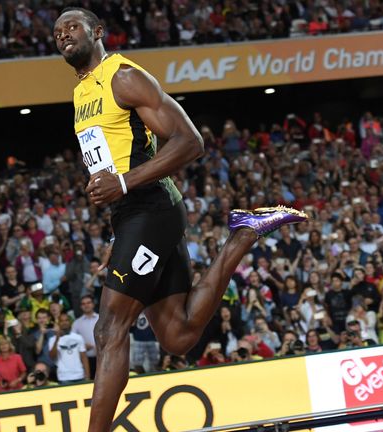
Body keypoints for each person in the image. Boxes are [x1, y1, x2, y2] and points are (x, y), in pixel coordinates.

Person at [53, 7, 307, 431]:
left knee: (109, 328)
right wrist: (121, 220)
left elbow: (190, 141)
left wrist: (124, 184)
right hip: (133, 216)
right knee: (178, 336)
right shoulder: (82, 91)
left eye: (72, 26)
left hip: (151, 208)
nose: (63, 35)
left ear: (98, 31)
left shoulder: (123, 76)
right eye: (57, 31)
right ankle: (242, 237)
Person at [49, 312, 90, 384]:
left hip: (80, 375)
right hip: (64, 377)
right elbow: (52, 356)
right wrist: (57, 339)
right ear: (58, 323)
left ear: (70, 322)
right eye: (62, 321)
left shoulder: (78, 337)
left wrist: (87, 376)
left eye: (66, 320)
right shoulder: (52, 339)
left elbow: (84, 358)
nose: (64, 323)